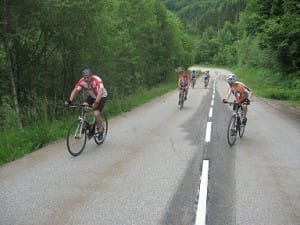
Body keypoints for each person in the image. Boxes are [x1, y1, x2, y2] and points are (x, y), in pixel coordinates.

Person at [65, 68, 108, 134]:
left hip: (101, 96)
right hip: (92, 96)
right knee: (84, 105)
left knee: (96, 113)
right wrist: (70, 101)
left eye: (88, 77)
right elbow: (75, 90)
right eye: (84, 77)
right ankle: (85, 124)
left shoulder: (97, 80)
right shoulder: (82, 81)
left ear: (91, 76)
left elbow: (100, 92)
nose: (86, 79)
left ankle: (100, 128)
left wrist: (96, 102)